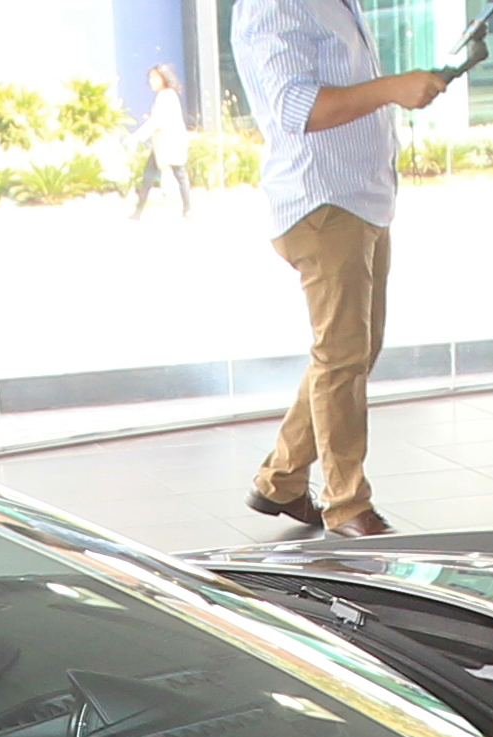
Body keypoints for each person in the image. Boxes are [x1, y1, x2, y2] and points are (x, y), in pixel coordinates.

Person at [233, 0, 451, 534]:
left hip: (361, 196)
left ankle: (281, 481)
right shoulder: (274, 4)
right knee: (342, 357)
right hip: (323, 200)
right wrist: (392, 88)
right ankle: (346, 503)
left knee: (353, 350)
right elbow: (297, 106)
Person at [125, 64, 196, 219]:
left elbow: (156, 121)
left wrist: (136, 137)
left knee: (169, 174)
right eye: (151, 78)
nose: (152, 81)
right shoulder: (169, 94)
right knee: (164, 175)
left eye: (156, 77)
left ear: (164, 77)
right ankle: (186, 210)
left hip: (168, 143)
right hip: (165, 143)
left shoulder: (166, 95)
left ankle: (186, 209)